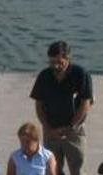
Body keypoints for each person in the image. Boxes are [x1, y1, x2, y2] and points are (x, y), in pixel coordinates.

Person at [30, 41, 94, 175]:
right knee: (53, 169)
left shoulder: (80, 74)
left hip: (73, 131)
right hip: (51, 130)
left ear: (67, 58)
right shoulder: (44, 76)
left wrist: (71, 127)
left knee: (77, 169)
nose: (56, 66)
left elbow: (85, 104)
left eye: (60, 62)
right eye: (52, 62)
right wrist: (47, 128)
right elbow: (39, 105)